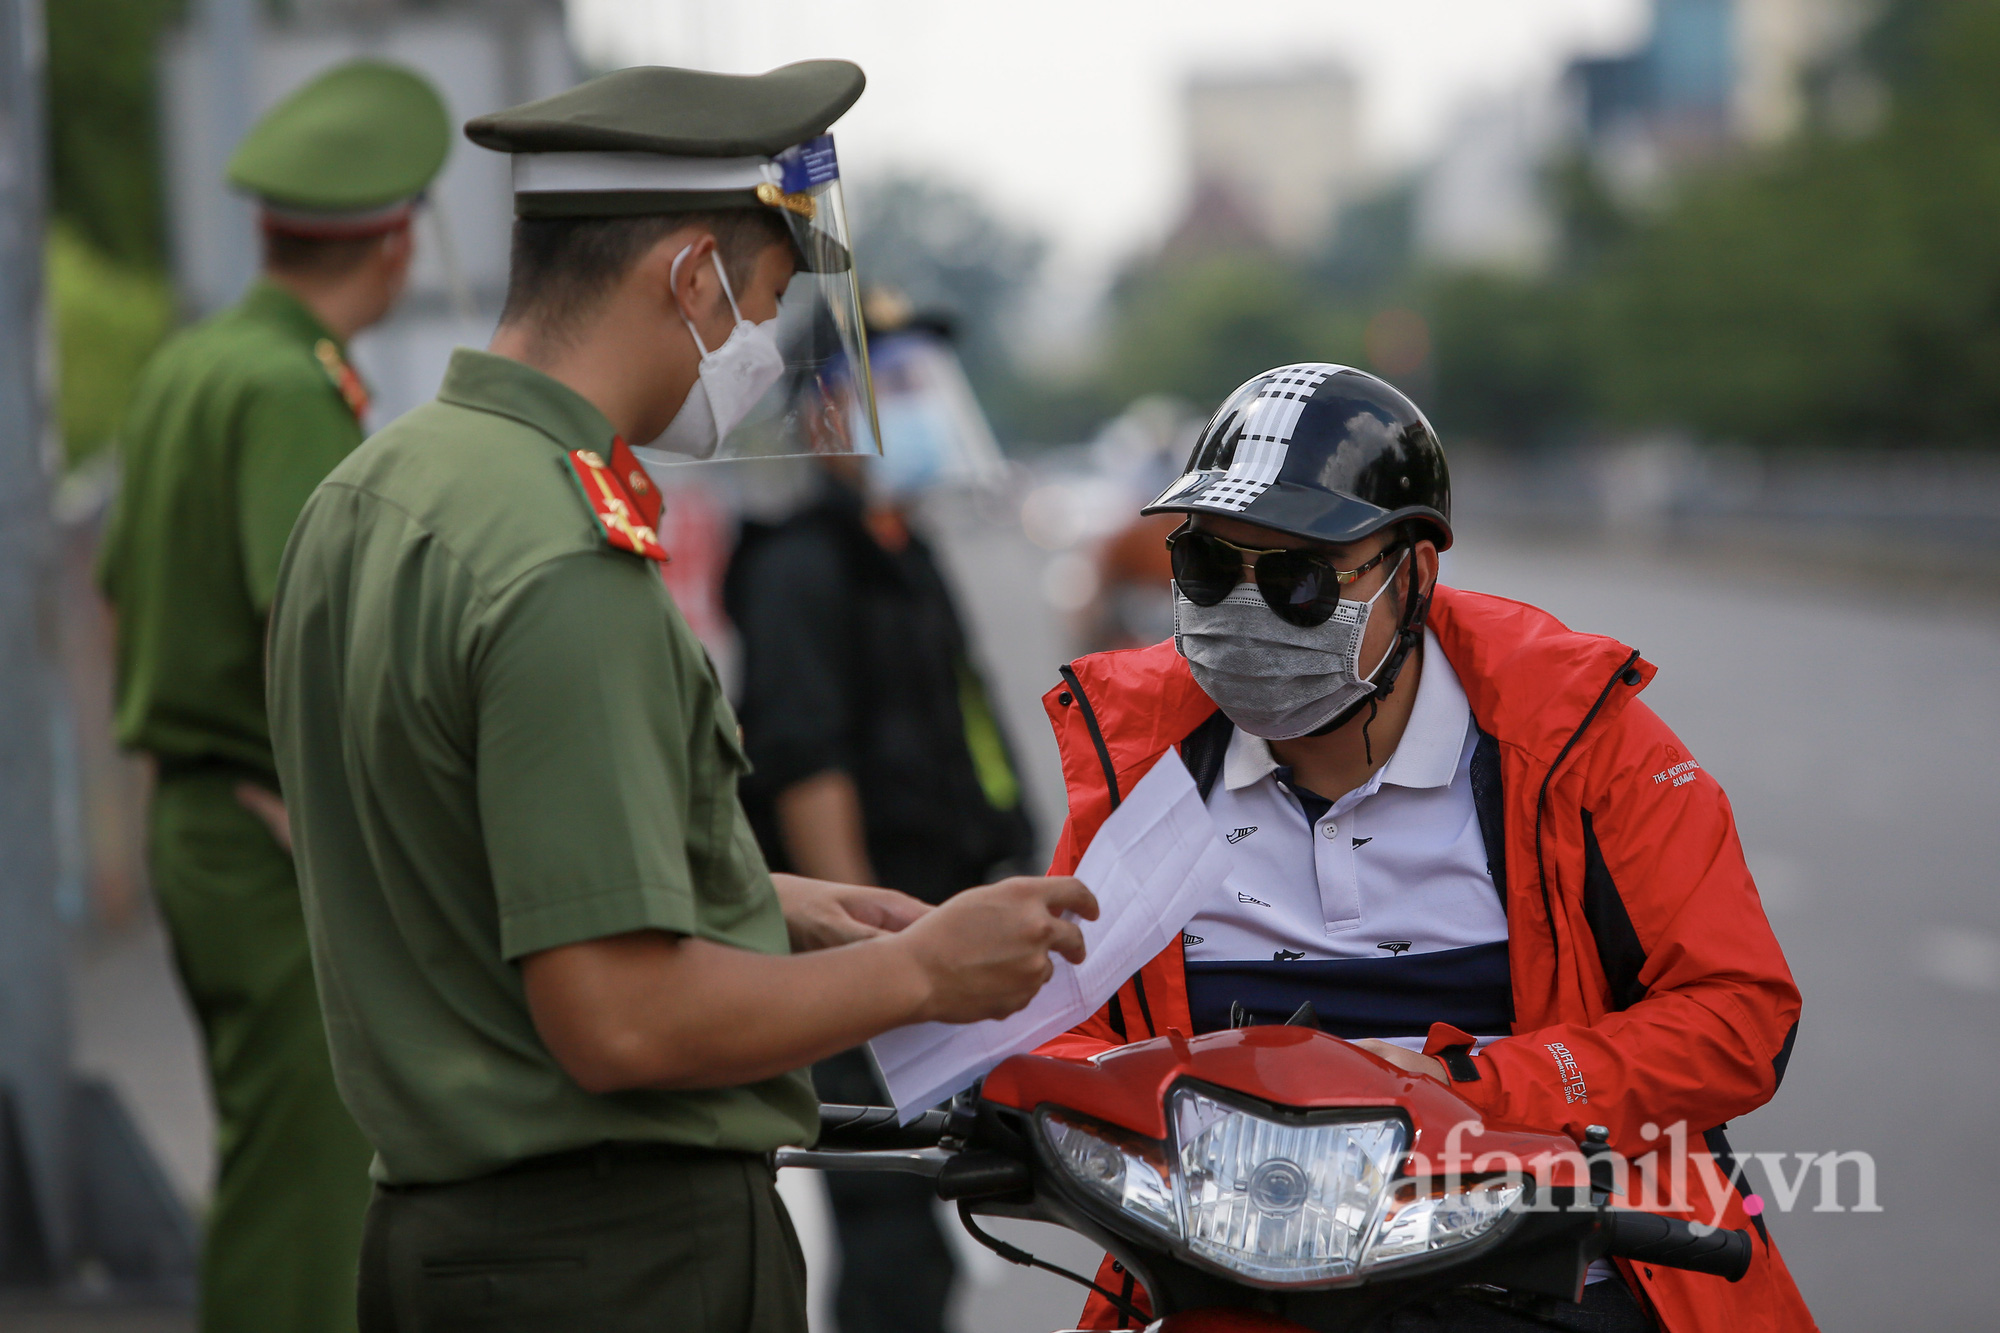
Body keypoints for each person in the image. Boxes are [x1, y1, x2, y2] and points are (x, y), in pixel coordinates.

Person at [263, 61, 1095, 1333]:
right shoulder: (562, 552)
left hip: (445, 1242)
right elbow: (622, 1022)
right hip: (616, 1262)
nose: (766, 348)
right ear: (691, 276)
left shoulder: (377, 493)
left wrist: (753, 900)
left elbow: (457, 870)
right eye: (766, 301)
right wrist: (924, 972)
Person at [1032, 364, 1815, 1332]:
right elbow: (1058, 1029)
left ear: (1414, 574)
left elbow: (1738, 1017)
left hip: (1542, 1274)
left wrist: (1474, 1090)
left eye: (1297, 577)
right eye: (1203, 568)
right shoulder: (1136, 759)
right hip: (1233, 1276)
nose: (1242, 611)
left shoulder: (1582, 740)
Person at [95, 60, 450, 1333]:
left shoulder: (192, 366)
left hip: (203, 820)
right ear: (397, 240)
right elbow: (315, 629)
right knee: (310, 1202)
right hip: (269, 832)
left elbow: (124, 590)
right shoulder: (289, 387)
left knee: (269, 1172)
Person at [725, 307, 1037, 1333]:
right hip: (874, 974)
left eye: (927, 389)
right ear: (823, 415)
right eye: (893, 390)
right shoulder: (800, 564)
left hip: (933, 957)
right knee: (891, 1247)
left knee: (939, 1241)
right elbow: (807, 765)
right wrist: (874, 977)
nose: (925, 412)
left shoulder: (900, 547)